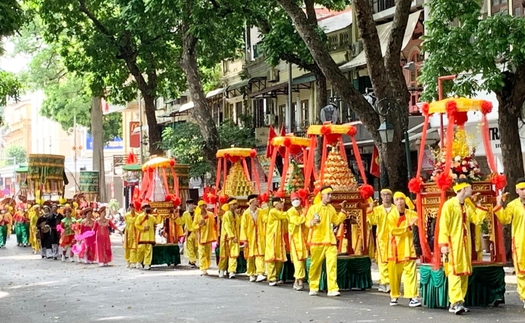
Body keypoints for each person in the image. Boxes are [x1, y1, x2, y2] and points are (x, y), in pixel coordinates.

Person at [439, 178, 487, 315]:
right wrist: (443, 244)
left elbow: (476, 219)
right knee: (454, 272)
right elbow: (443, 226)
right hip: (453, 244)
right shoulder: (449, 205)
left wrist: (478, 205)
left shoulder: (466, 205)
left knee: (464, 272)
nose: (472, 191)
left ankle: (460, 301)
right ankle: (454, 302)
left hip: (465, 244)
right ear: (464, 188)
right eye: (470, 188)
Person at [306, 186, 347, 296]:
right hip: (317, 240)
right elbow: (307, 223)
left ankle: (332, 288)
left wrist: (343, 211)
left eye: (331, 194)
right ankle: (313, 286)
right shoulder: (314, 208)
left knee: (332, 265)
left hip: (330, 240)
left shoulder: (331, 208)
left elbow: (336, 221)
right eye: (328, 194)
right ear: (321, 195)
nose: (330, 196)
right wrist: (312, 222)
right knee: (315, 265)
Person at [494, 177, 525, 309]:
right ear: (517, 190)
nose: (524, 191)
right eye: (522, 189)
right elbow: (505, 219)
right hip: (520, 242)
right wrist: (499, 205)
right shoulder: (513, 205)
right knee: (522, 271)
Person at [387, 192, 421, 307]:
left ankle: (412, 297)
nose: (400, 201)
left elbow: (419, 216)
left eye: (402, 199)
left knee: (411, 273)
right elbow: (393, 230)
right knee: (394, 275)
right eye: (397, 199)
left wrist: (411, 203)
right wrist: (408, 227)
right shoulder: (391, 215)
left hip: (408, 248)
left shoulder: (410, 213)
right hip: (395, 248)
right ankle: (394, 295)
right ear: (394, 202)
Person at [367, 188, 395, 293]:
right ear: (381, 197)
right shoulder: (378, 209)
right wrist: (370, 210)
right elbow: (373, 221)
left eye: (388, 194)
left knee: (392, 260)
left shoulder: (395, 209)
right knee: (383, 260)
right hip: (382, 238)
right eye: (384, 195)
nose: (386, 197)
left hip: (393, 238)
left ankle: (391, 281)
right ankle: (385, 282)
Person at [240, 194, 267, 282]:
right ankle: (251, 273)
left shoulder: (261, 211)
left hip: (259, 236)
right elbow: (243, 227)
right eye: (256, 200)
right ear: (251, 201)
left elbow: (265, 220)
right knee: (250, 256)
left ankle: (260, 273)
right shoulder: (246, 213)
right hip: (250, 237)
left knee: (260, 255)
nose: (257, 201)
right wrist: (244, 240)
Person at [265, 195, 288, 286]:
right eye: (281, 203)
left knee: (279, 258)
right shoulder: (273, 212)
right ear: (276, 204)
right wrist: (294, 210)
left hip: (279, 239)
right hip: (272, 238)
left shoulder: (279, 212)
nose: (282, 204)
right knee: (272, 258)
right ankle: (271, 278)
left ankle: (276, 276)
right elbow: (284, 215)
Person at [287, 192, 308, 291]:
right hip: (295, 240)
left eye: (297, 199)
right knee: (298, 260)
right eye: (293, 199)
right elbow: (297, 221)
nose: (295, 201)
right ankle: (299, 279)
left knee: (303, 259)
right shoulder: (290, 212)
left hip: (304, 239)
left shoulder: (303, 210)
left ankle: (298, 279)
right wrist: (304, 214)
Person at [192, 200, 217, 276]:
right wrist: (199, 225)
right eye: (200, 206)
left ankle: (207, 265)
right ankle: (203, 268)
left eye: (203, 205)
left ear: (206, 206)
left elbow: (214, 225)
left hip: (209, 237)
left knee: (208, 253)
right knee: (202, 253)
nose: (202, 207)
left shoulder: (211, 215)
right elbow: (194, 226)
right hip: (201, 237)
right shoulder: (197, 216)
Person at [135, 203, 162, 270]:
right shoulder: (140, 217)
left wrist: (158, 214)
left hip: (150, 237)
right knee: (140, 250)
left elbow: (158, 221)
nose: (147, 209)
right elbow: (136, 225)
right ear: (143, 209)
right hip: (142, 237)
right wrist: (143, 228)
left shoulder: (152, 217)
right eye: (145, 208)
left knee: (148, 251)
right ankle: (138, 261)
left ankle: (147, 263)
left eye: (148, 207)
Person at [218, 198, 240, 278]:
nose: (235, 206)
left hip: (234, 238)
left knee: (233, 255)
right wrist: (232, 236)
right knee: (224, 255)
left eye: (236, 204)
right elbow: (227, 227)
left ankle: (232, 271)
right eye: (234, 204)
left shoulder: (236, 215)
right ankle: (221, 269)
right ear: (229, 205)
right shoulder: (227, 214)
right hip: (227, 238)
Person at [177, 199, 198, 268]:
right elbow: (181, 222)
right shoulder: (185, 214)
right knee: (190, 248)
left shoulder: (197, 213)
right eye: (189, 204)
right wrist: (175, 218)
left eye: (192, 204)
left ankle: (192, 259)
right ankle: (192, 261)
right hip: (189, 233)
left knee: (196, 248)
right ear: (187, 205)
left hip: (196, 233)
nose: (191, 206)